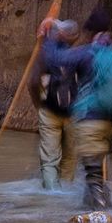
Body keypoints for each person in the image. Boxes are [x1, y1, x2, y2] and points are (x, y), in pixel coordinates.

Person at [43, 8, 112, 209]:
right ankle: (102, 213)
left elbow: (55, 59)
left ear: (91, 32)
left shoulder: (88, 52)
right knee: (96, 173)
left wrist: (50, 36)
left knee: (93, 175)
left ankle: (101, 219)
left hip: (89, 120)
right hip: (110, 123)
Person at [34, 19, 84, 189]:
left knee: (49, 160)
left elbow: (34, 81)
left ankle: (51, 195)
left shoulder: (47, 52)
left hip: (49, 111)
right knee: (70, 158)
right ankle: (65, 196)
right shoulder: (78, 55)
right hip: (73, 114)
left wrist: (43, 35)